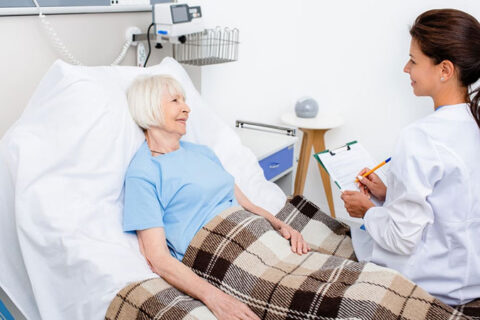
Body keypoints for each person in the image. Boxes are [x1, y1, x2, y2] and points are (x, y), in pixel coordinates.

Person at [123, 74, 309, 320]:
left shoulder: (202, 152)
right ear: (149, 107)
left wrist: (281, 225)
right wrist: (214, 298)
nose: (186, 108)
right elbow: (156, 257)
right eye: (175, 101)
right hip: (219, 254)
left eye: (185, 100)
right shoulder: (145, 172)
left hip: (257, 237)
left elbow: (246, 203)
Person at [340, 8, 480, 305]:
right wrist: (388, 192)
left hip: (431, 283)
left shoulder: (420, 137)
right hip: (470, 277)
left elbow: (401, 239)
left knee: (362, 236)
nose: (406, 68)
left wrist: (366, 210)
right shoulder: (474, 123)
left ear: (444, 70)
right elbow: (454, 206)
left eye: (413, 60)